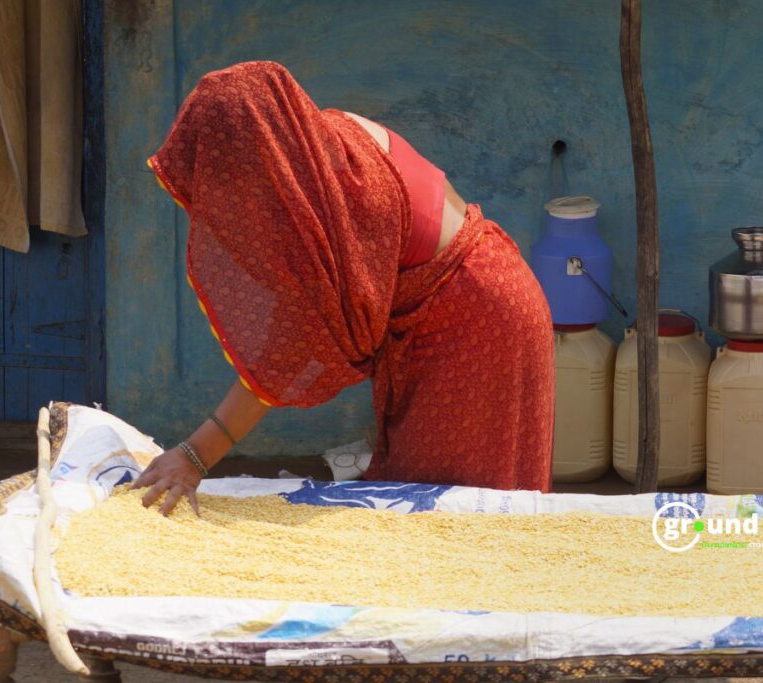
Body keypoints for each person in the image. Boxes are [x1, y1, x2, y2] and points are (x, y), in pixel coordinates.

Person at [134, 61, 554, 516]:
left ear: (258, 154)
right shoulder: (327, 142)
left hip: (475, 331)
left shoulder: (336, 196)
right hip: (491, 297)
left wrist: (195, 455)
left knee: (452, 523)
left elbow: (291, 348)